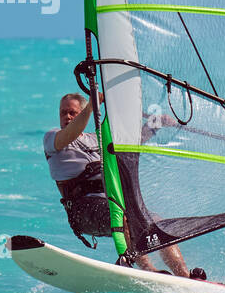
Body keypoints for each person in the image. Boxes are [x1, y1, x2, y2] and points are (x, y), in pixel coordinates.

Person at [44, 91, 196, 278]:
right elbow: (70, 133)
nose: (66, 116)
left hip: (111, 203)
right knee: (123, 216)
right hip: (82, 211)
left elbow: (130, 143)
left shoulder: (98, 138)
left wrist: (156, 123)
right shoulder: (53, 139)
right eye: (63, 112)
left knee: (157, 224)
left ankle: (185, 276)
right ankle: (149, 272)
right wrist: (92, 106)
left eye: (72, 113)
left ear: (83, 113)